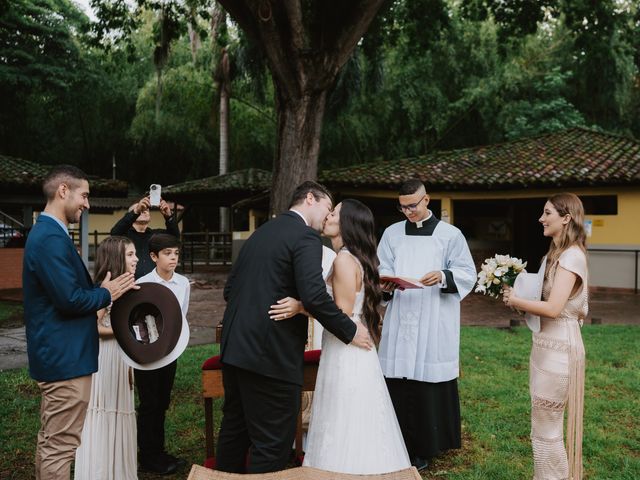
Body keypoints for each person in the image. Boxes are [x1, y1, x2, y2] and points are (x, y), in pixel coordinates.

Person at [216, 181, 373, 474]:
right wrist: (350, 330)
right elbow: (314, 296)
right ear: (310, 198)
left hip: (235, 349)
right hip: (270, 356)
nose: (327, 216)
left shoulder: (260, 233)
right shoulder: (305, 238)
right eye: (328, 207)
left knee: (235, 433)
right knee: (272, 443)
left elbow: (230, 291)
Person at [272, 199, 411, 474]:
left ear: (346, 223)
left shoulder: (345, 259)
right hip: (348, 343)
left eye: (334, 212)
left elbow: (342, 313)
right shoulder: (350, 257)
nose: (328, 216)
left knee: (344, 412)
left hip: (346, 347)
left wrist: (300, 307)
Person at [23, 164, 137, 480]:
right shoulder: (49, 238)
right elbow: (70, 300)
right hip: (65, 359)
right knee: (60, 446)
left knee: (51, 441)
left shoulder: (50, 234)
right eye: (84, 195)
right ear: (63, 191)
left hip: (61, 356)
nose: (87, 204)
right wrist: (106, 292)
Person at [377, 179, 476, 470]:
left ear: (427, 200)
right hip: (402, 313)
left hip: (434, 315)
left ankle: (426, 447)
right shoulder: (392, 233)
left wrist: (444, 276)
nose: (408, 211)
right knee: (399, 377)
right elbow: (383, 265)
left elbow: (466, 272)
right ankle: (398, 444)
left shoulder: (450, 235)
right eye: (403, 206)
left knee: (426, 378)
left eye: (413, 205)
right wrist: (387, 281)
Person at [502, 193, 588, 480]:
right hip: (544, 347)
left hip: (559, 350)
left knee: (547, 429)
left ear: (566, 218)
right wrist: (520, 298)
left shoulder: (572, 256)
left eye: (547, 212)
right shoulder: (554, 256)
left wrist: (517, 301)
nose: (541, 218)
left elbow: (553, 308)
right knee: (541, 425)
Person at [74, 237, 139, 480]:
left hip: (123, 358)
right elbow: (90, 326)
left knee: (122, 410)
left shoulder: (130, 286)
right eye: (131, 254)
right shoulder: (105, 287)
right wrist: (122, 333)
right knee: (103, 412)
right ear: (116, 258)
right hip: (105, 358)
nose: (136, 259)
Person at [135, 233, 191, 475]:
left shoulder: (183, 283)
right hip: (146, 353)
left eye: (176, 253)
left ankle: (158, 451)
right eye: (167, 254)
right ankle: (148, 456)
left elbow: (180, 317)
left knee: (163, 401)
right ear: (153, 256)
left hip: (170, 351)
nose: (173, 258)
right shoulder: (143, 284)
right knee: (149, 403)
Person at [110, 195, 179, 279]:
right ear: (131, 214)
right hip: (129, 283)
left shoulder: (156, 235)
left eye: (146, 209)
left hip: (154, 284)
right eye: (140, 209)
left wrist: (169, 216)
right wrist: (136, 211)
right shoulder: (124, 235)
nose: (143, 211)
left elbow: (174, 238)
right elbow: (114, 233)